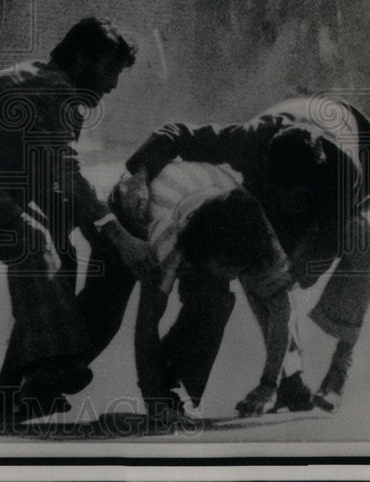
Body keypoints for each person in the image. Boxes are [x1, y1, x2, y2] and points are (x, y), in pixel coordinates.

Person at [0, 18, 158, 420]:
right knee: (32, 242)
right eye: (109, 71)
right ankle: (50, 364)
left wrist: (95, 230)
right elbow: (65, 172)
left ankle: (11, 389)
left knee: (57, 250)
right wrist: (120, 238)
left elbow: (48, 178)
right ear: (80, 61)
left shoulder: (49, 82)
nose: (112, 85)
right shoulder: (54, 88)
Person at [124, 95, 370, 412]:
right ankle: (292, 379)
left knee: (362, 250)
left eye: (293, 197)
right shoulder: (250, 141)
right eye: (278, 191)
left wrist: (299, 271)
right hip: (288, 127)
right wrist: (140, 175)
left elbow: (321, 252)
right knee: (262, 266)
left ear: (311, 191)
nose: (284, 204)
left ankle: (341, 365)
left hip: (362, 149)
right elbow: (178, 133)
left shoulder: (341, 177)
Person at [107, 162, 296, 423]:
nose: (234, 278)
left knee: (218, 302)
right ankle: (161, 397)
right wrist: (154, 404)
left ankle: (174, 388)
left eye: (238, 269)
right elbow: (147, 324)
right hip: (130, 207)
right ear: (199, 255)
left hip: (208, 195)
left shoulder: (257, 228)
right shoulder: (167, 242)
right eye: (227, 268)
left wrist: (268, 384)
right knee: (104, 320)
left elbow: (281, 312)